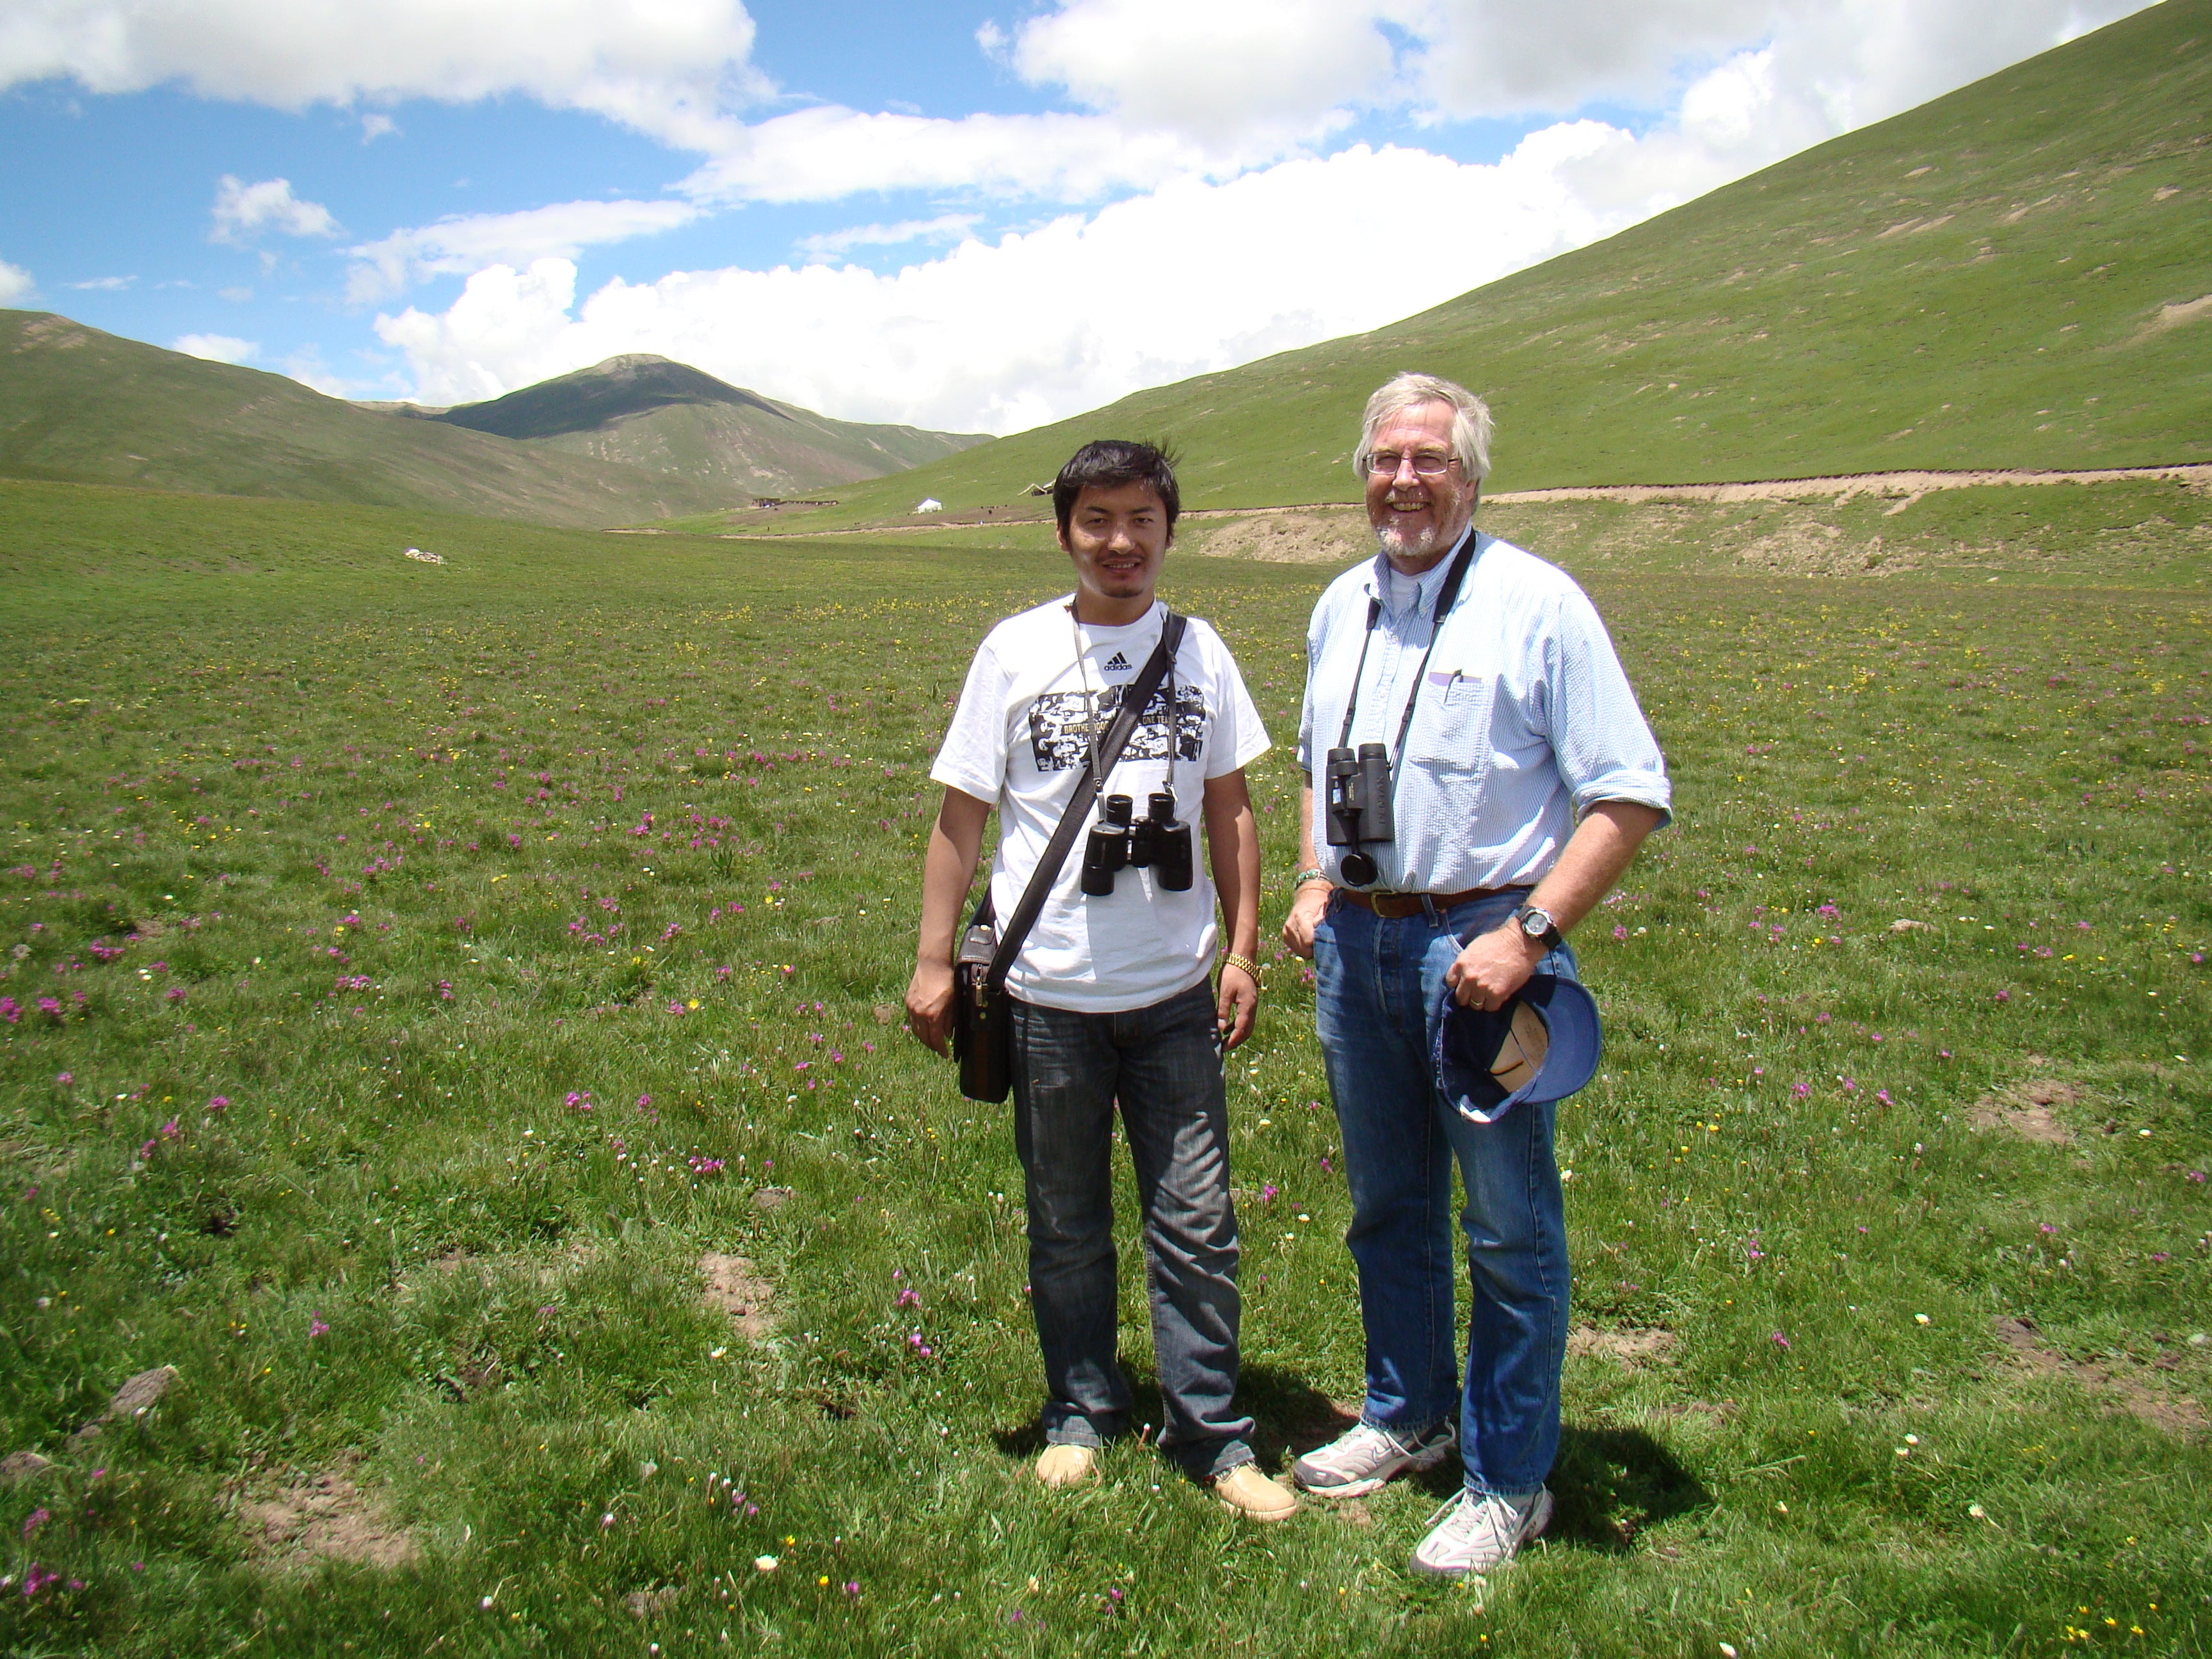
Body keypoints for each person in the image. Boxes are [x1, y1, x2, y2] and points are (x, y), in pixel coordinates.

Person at [1281, 373, 1672, 1576]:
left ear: (1471, 476)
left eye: (1429, 461)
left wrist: (1532, 934)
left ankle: (1510, 1478)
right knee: (1387, 1202)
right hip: (1359, 940)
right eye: (1386, 460)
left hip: (1485, 951)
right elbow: (1317, 763)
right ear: (1363, 473)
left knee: (1508, 1227)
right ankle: (1407, 1416)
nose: (1405, 481)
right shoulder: (1341, 603)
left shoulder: (1537, 603)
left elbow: (1628, 790)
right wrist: (1311, 880)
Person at [905, 439, 1294, 1521]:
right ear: (1065, 531)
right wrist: (935, 958)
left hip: (1173, 993)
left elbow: (1231, 805)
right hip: (1049, 998)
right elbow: (962, 812)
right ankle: (1082, 1410)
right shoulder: (1014, 651)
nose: (1120, 543)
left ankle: (1214, 1435)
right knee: (1065, 1217)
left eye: (1142, 522)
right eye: (1097, 521)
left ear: (1170, 532)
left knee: (1198, 1219)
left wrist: (1246, 948)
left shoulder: (1203, 651)